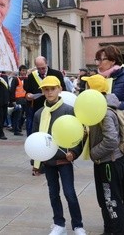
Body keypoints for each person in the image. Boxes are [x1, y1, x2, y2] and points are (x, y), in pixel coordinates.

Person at [94, 45, 124, 235]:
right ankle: (113, 219)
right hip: (105, 136)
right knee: (109, 182)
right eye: (97, 59)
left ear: (113, 61)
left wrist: (118, 104)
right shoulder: (98, 79)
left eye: (102, 59)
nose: (98, 63)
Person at [31, 76, 86, 235]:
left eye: (52, 89)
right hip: (48, 161)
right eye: (46, 89)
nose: (49, 92)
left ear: (59, 89)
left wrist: (74, 152)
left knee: (69, 193)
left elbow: (80, 134)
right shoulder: (39, 114)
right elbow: (35, 138)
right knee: (53, 193)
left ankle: (78, 225)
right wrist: (36, 163)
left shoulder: (69, 110)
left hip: (64, 160)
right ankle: (59, 223)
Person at [83, 74, 124, 235]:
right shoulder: (98, 109)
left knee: (111, 199)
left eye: (87, 87)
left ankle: (117, 231)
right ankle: (109, 229)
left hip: (109, 161)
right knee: (104, 198)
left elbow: (111, 140)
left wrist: (93, 153)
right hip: (103, 161)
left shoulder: (105, 112)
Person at [24, 56, 66, 136]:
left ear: (46, 64)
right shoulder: (31, 77)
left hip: (55, 107)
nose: (41, 70)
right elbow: (27, 92)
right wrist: (29, 96)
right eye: (38, 68)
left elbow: (63, 90)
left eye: (43, 68)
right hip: (39, 108)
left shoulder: (56, 74)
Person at [9, 64, 28, 136]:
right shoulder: (16, 79)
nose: (24, 72)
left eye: (25, 71)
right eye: (22, 70)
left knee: (23, 115)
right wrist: (13, 100)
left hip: (24, 99)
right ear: (20, 71)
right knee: (17, 115)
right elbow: (12, 90)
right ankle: (16, 130)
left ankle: (18, 127)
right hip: (17, 99)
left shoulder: (26, 79)